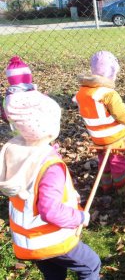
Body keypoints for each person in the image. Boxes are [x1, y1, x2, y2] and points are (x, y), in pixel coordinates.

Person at [0, 90, 101, 280]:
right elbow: (50, 210)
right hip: (49, 239)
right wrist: (79, 217)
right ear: (49, 128)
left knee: (54, 273)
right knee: (90, 265)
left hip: (27, 241)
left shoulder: (17, 152)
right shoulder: (50, 166)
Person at [74, 51, 125, 195]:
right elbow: (121, 115)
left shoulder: (82, 92)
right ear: (112, 73)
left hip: (96, 137)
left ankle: (106, 185)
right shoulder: (108, 94)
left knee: (104, 160)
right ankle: (123, 188)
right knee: (118, 162)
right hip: (114, 137)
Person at [1, 56, 37, 130]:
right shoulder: (36, 93)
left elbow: (5, 115)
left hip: (19, 131)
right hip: (39, 128)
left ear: (10, 80)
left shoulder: (8, 97)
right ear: (29, 77)